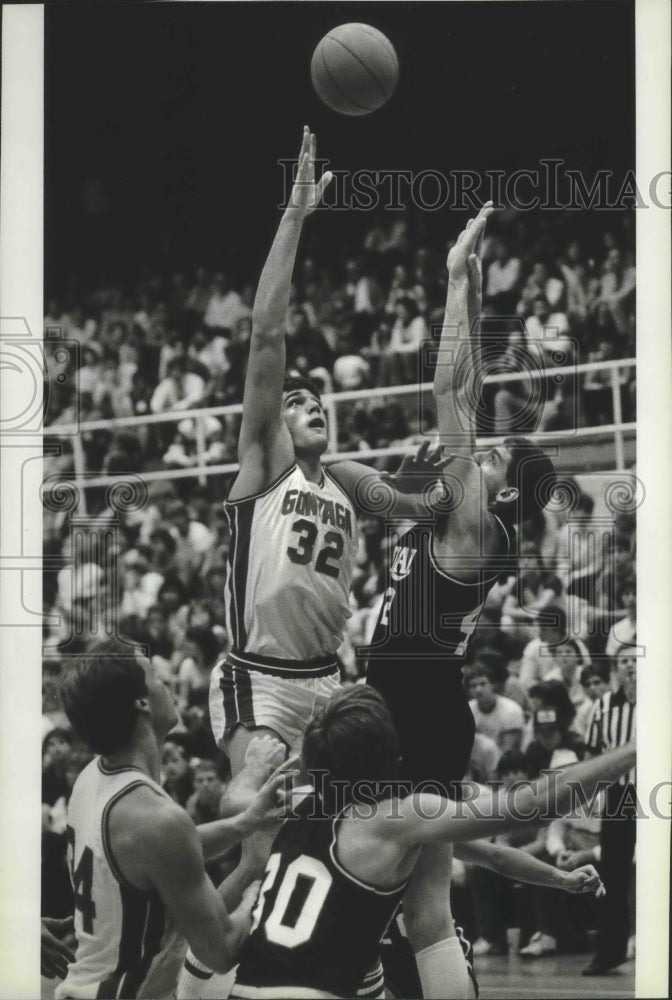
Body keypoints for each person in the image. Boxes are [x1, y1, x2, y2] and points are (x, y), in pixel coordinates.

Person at [365, 203, 558, 997]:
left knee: (425, 897)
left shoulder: (475, 526)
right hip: (404, 695)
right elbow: (466, 388)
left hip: (419, 704)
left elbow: (450, 387)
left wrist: (449, 279)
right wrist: (474, 289)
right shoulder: (462, 516)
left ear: (501, 489)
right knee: (394, 885)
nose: (484, 451)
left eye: (496, 454)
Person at [231, 686, 634, 1000]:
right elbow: (530, 805)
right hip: (340, 974)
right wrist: (634, 749)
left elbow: (233, 804)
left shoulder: (294, 803)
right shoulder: (402, 817)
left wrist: (253, 771)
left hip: (251, 983)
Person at [55, 638, 294, 999]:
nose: (167, 683)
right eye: (156, 677)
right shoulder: (156, 819)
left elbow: (163, 854)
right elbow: (222, 949)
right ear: (142, 702)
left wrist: (244, 825)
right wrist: (258, 887)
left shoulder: (94, 779)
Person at [582, 643, 637, 976]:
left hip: (656, 791)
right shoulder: (602, 705)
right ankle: (609, 952)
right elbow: (592, 754)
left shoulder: (661, 699)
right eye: (624, 661)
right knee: (613, 874)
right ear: (615, 669)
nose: (630, 666)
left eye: (636, 660)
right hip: (617, 795)